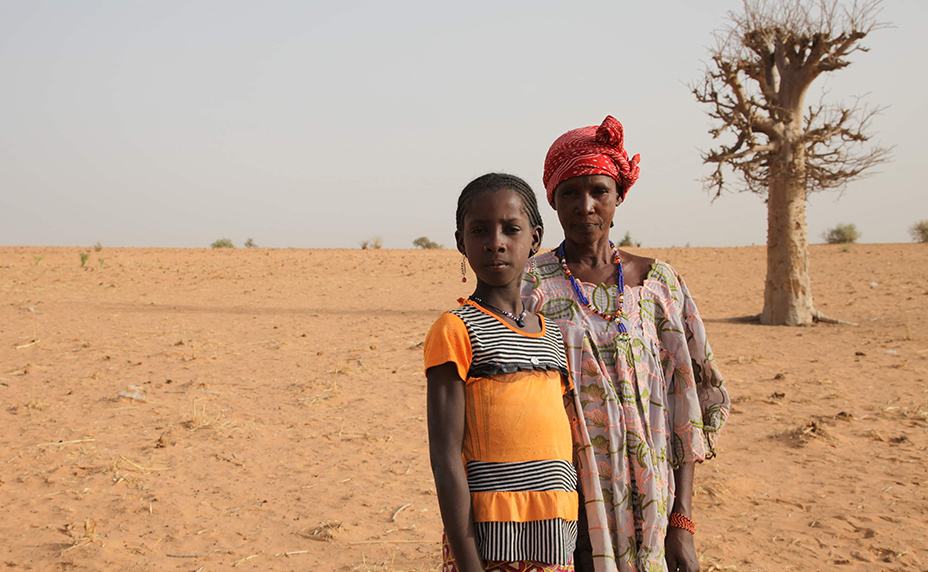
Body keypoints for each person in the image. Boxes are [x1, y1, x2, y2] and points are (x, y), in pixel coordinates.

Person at [522, 117, 730, 572]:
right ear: (553, 201)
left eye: (599, 191)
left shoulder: (659, 283)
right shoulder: (530, 284)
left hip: (655, 505)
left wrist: (682, 521)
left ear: (619, 196)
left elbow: (686, 404)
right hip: (566, 501)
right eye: (569, 193)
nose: (585, 205)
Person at [425, 173, 579, 572]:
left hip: (555, 534)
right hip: (489, 543)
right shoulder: (456, 329)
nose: (496, 242)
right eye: (479, 230)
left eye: (511, 229)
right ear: (461, 241)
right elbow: (444, 457)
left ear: (535, 238)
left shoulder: (552, 335)